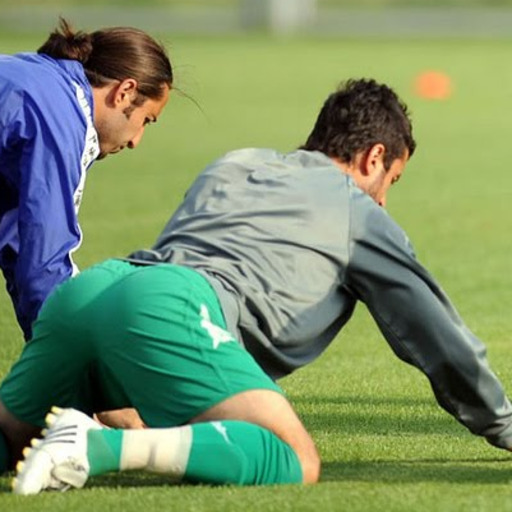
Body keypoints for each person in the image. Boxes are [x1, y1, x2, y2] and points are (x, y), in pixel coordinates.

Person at [2, 77, 511, 494]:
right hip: (169, 305)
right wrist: (503, 425)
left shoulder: (237, 162)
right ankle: (95, 448)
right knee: (290, 456)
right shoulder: (357, 211)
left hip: (94, 291)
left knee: (11, 437)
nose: (384, 203)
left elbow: (169, 277)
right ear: (373, 157)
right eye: (391, 183)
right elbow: (437, 337)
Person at [0, 18, 173, 340]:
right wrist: (76, 361)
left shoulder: (40, 79)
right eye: (146, 120)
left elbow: (19, 241)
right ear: (125, 92)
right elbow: (44, 262)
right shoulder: (61, 116)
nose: (137, 140)